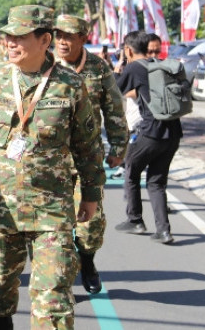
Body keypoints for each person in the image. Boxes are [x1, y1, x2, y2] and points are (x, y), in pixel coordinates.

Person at [0, 5, 105, 330]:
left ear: (44, 40)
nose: (10, 42)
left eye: (19, 36)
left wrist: (92, 193)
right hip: (3, 210)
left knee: (52, 300)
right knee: (0, 294)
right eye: (8, 36)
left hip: (52, 210)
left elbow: (88, 145)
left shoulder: (71, 85)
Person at [53, 15, 128, 294]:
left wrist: (119, 148)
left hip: (88, 159)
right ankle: (59, 283)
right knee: (55, 227)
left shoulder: (98, 69)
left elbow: (114, 110)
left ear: (83, 38)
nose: (62, 41)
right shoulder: (43, 66)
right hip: (51, 161)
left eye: (69, 36)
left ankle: (87, 261)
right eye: (58, 35)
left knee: (90, 224)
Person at [114, 31, 182, 244]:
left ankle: (135, 220)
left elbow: (115, 91)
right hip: (173, 132)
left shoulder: (135, 66)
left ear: (128, 50)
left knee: (131, 170)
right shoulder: (159, 64)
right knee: (156, 181)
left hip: (151, 132)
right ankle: (164, 230)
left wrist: (118, 69)